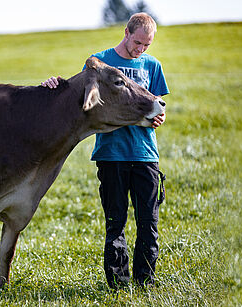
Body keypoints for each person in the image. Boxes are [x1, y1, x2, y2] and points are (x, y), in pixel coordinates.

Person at [42, 12, 169, 289]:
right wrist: (53, 85)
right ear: (126, 32)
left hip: (146, 154)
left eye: (147, 45)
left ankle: (145, 282)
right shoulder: (100, 61)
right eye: (138, 43)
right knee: (116, 222)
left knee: (149, 223)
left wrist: (160, 117)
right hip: (111, 155)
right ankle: (118, 284)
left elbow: (157, 105)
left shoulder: (152, 65)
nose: (141, 49)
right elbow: (76, 93)